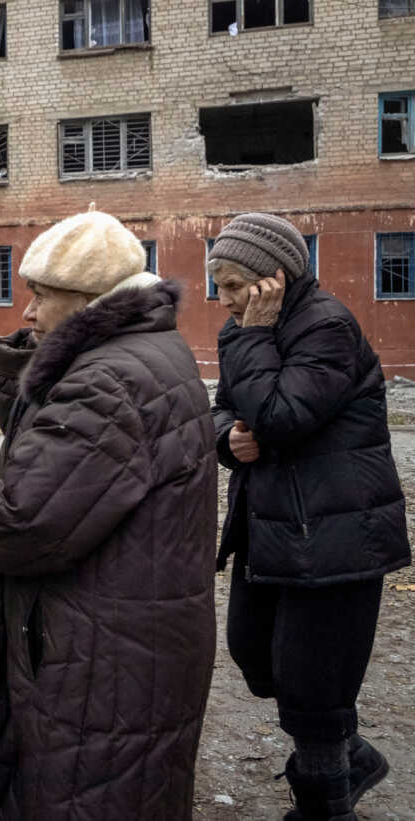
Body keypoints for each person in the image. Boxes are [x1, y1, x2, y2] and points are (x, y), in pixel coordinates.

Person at [0, 208, 218, 820]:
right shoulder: (148, 351)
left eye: (41, 296)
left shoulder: (109, 381)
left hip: (104, 654)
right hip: (133, 636)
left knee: (89, 794)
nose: (28, 313)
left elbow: (27, 515)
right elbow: (60, 458)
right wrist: (30, 367)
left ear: (91, 302)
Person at [208, 213, 411, 821]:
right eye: (219, 285)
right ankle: (354, 756)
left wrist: (253, 342)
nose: (227, 300)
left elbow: (281, 416)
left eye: (236, 286)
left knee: (312, 683)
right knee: (253, 652)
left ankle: (325, 803)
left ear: (275, 277)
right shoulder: (244, 327)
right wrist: (226, 440)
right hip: (274, 526)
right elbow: (229, 410)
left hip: (336, 530)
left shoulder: (326, 327)